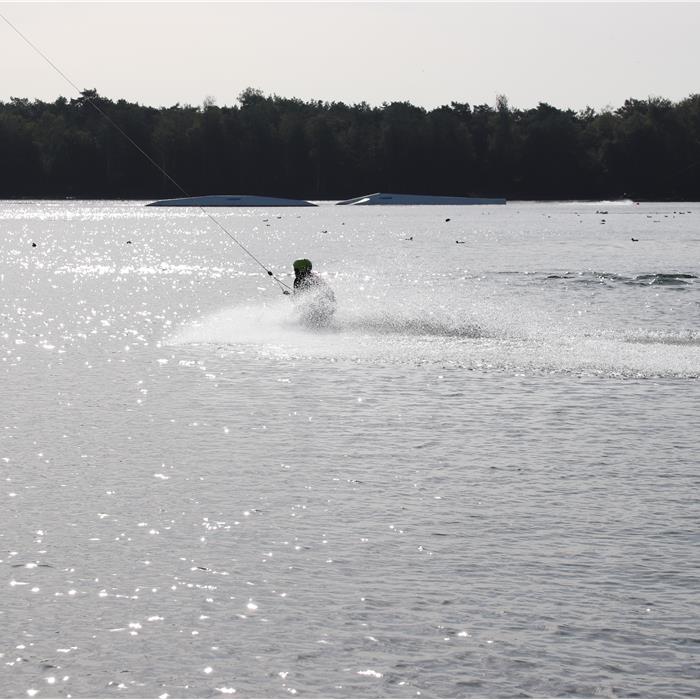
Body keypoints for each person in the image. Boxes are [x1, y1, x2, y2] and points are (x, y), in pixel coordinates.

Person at [290, 258, 336, 327]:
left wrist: (292, 296)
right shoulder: (315, 278)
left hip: (317, 308)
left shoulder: (299, 280)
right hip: (327, 307)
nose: (295, 272)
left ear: (300, 269)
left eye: (296, 270)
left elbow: (297, 298)